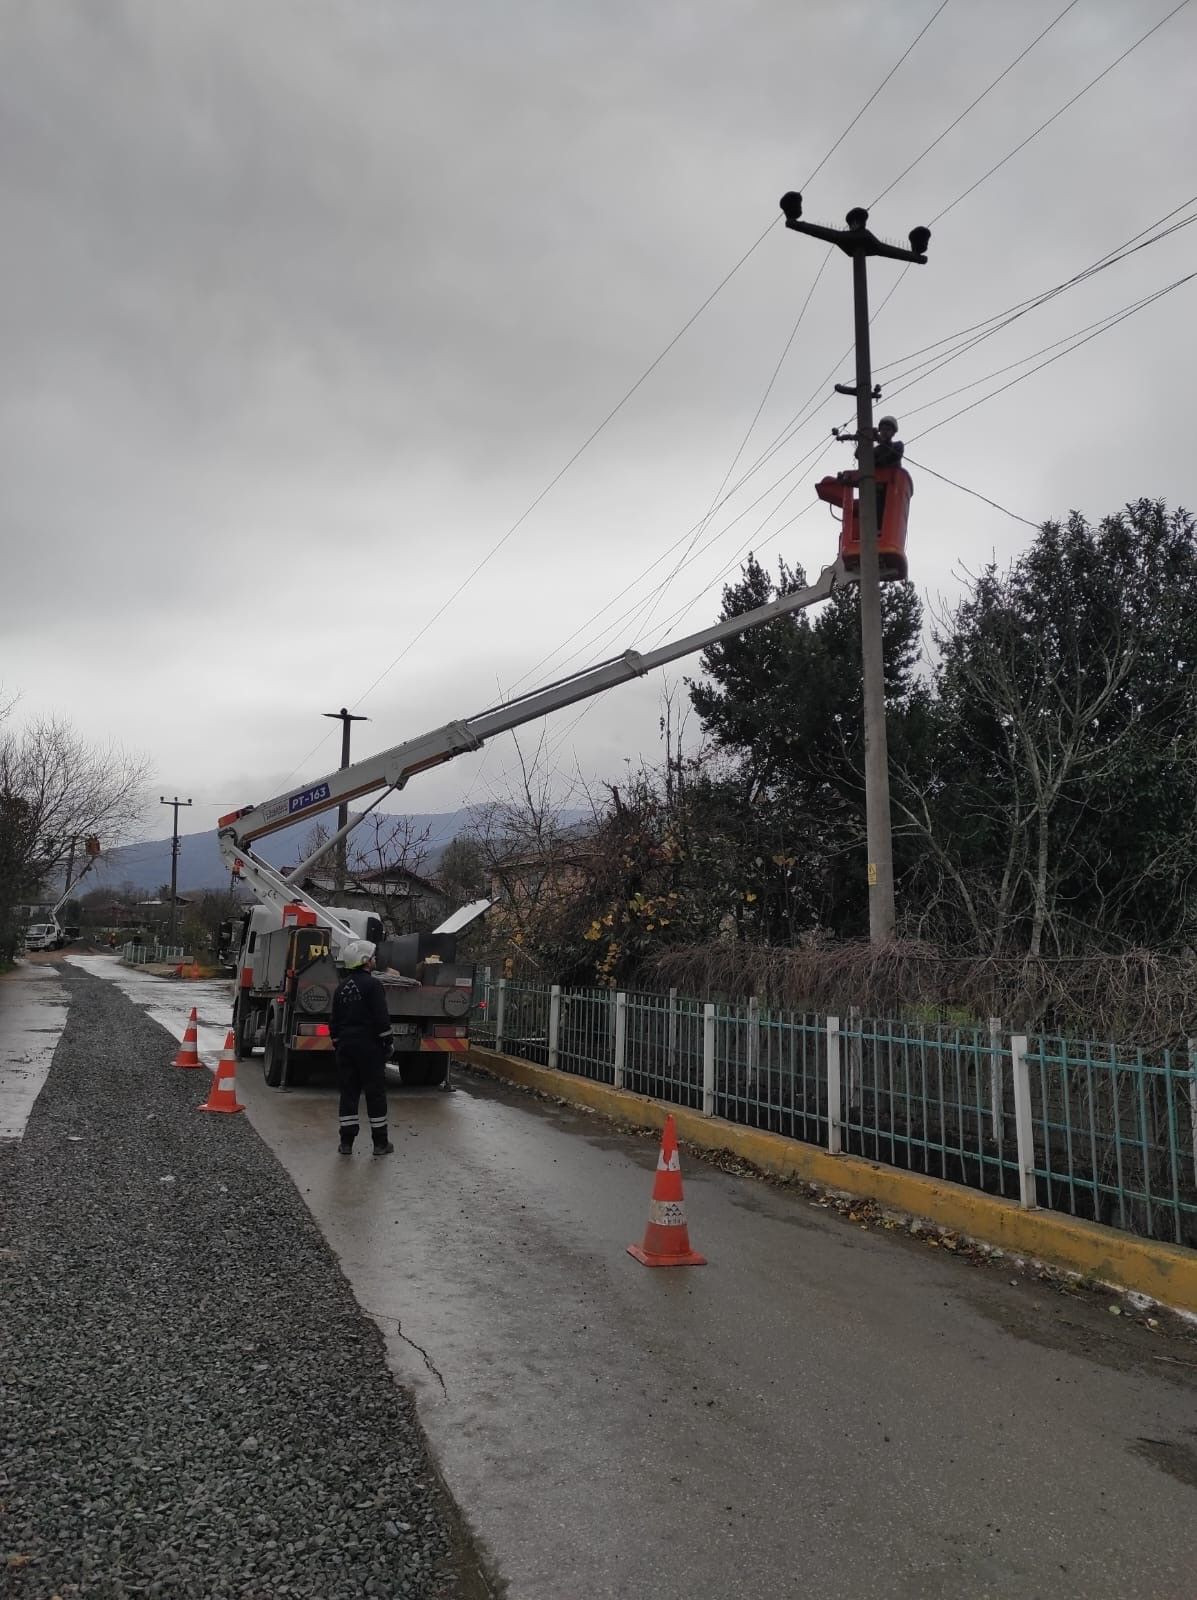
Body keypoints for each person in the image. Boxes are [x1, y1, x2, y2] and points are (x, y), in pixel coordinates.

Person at [330, 938, 394, 1156]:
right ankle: (380, 1143)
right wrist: (387, 1042)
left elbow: (334, 1023)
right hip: (369, 1047)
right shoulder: (373, 985)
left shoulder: (341, 988)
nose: (375, 959)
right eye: (373, 956)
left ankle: (346, 1143)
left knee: (349, 1093)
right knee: (375, 1094)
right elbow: (381, 1019)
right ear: (366, 961)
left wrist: (338, 1044)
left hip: (346, 1047)